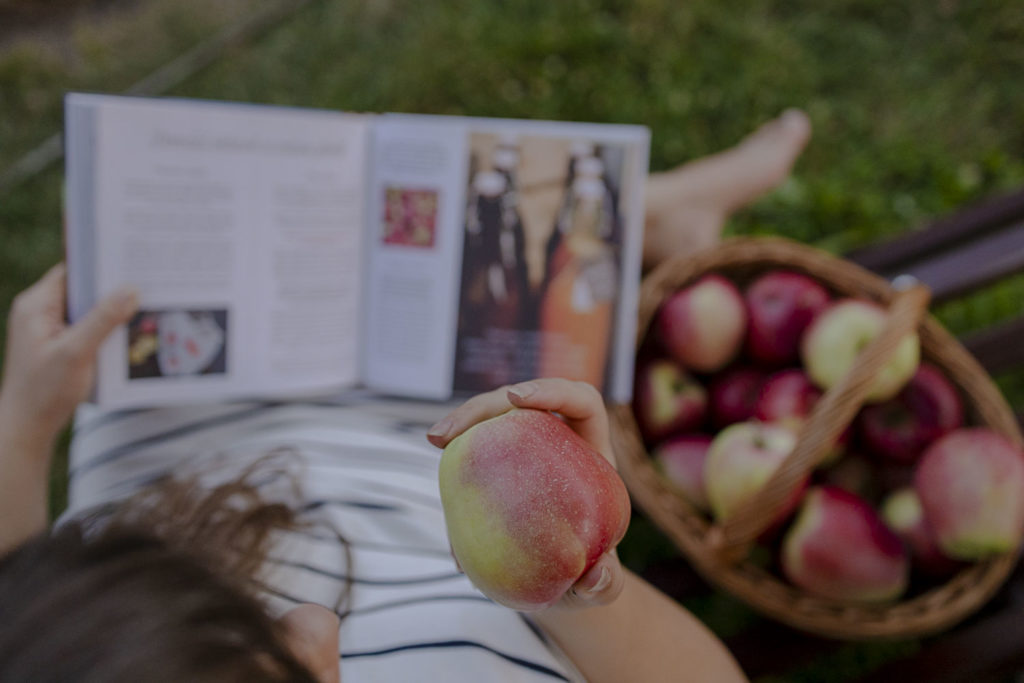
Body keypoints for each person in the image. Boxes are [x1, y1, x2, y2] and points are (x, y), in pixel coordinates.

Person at [0, 110, 810, 682]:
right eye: (290, 669)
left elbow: (18, 605)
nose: (317, 621)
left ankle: (665, 207)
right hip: (432, 455)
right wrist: (577, 589)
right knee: (459, 264)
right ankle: (665, 208)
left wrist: (25, 421)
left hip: (176, 425)